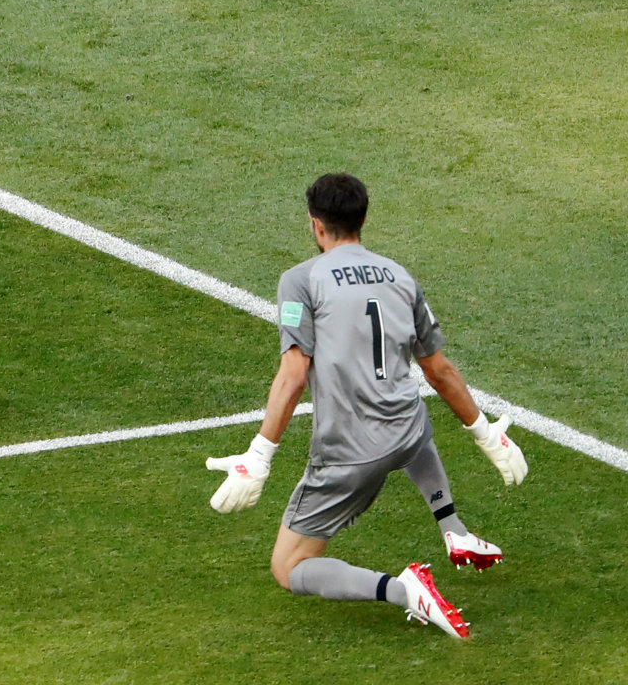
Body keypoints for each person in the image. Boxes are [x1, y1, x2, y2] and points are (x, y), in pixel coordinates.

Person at [206, 173, 527, 639]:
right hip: (409, 432)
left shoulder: (300, 280)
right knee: (406, 405)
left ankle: (403, 590)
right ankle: (452, 527)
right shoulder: (400, 276)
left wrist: (259, 456)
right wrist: (487, 434)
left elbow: (293, 375)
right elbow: (438, 370)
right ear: (362, 219)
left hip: (350, 454)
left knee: (288, 566)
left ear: (316, 225)